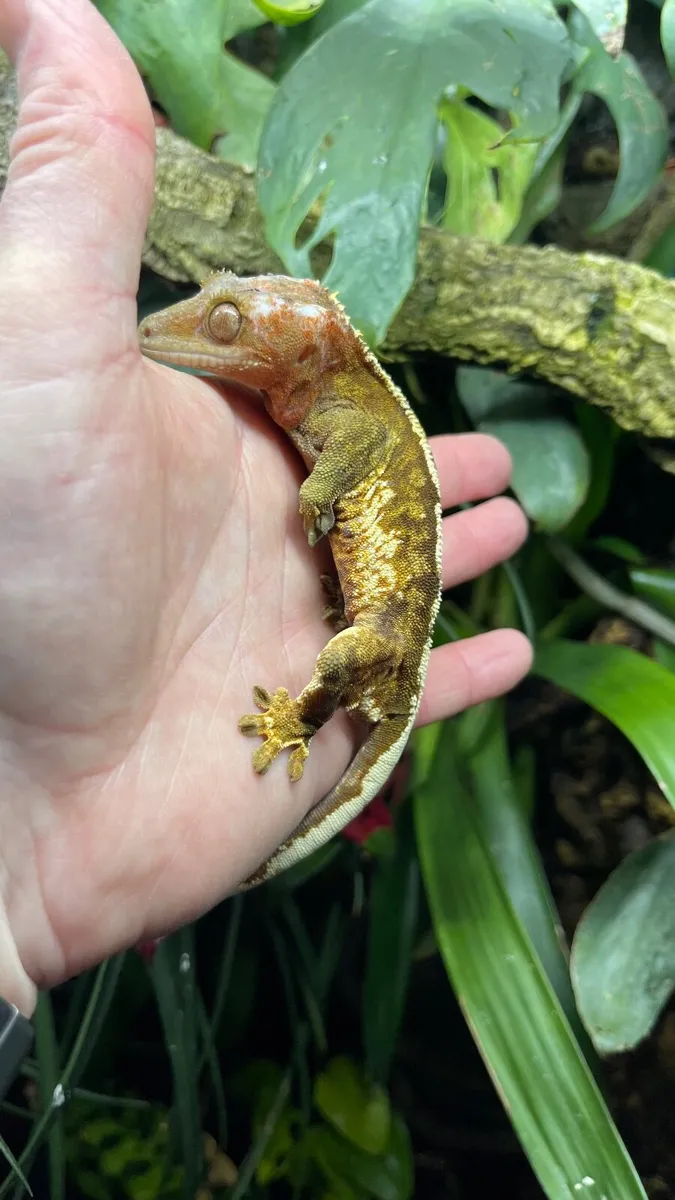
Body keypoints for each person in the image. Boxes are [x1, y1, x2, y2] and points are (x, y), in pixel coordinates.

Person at [0, 0, 531, 1018]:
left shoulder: (345, 412)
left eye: (233, 324)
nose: (203, 332)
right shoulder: (318, 393)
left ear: (295, 355)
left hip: (377, 622)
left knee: (342, 669)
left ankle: (313, 716)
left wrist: (321, 511)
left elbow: (349, 468)